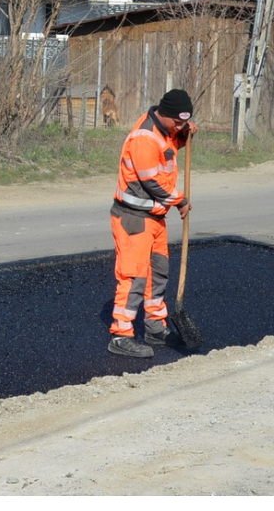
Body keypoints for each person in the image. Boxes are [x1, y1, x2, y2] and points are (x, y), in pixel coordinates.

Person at [108, 89, 192, 358]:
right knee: (133, 277)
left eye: (184, 122)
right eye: (177, 123)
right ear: (165, 115)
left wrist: (182, 135)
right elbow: (152, 182)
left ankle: (155, 327)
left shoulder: (163, 129)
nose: (180, 126)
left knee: (158, 273)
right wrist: (180, 200)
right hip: (134, 218)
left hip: (155, 218)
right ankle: (121, 335)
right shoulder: (144, 137)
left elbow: (167, 150)